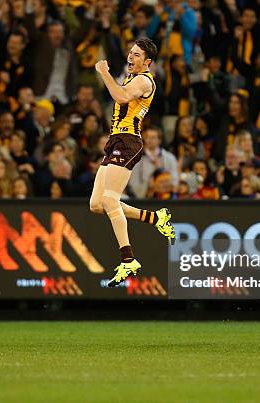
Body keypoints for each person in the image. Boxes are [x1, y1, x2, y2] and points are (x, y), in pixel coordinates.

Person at [89, 38, 175, 287]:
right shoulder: (132, 77)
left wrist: (104, 72)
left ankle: (128, 259)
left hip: (128, 141)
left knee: (109, 199)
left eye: (137, 55)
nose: (131, 57)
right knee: (96, 204)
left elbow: (121, 96)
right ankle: (155, 218)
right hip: (116, 141)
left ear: (147, 62)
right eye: (130, 53)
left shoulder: (143, 80)